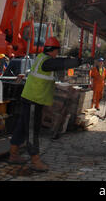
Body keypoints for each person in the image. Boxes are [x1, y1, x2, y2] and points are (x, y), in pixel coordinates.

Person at [8, 37, 82, 171]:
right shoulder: (46, 62)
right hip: (33, 100)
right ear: (52, 50)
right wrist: (76, 62)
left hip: (30, 98)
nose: (57, 54)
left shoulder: (42, 58)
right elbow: (59, 64)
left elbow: (58, 62)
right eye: (56, 51)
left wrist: (72, 60)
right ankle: (35, 160)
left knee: (22, 128)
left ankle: (13, 155)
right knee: (31, 130)